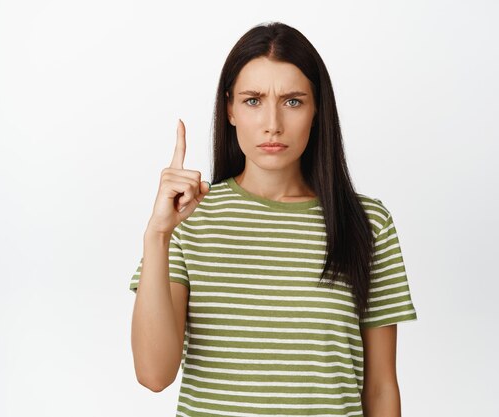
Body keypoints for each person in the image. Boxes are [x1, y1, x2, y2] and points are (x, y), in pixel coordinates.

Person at [129, 21, 417, 417]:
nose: (273, 123)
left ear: (317, 110)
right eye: (253, 100)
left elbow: (382, 388)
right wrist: (157, 235)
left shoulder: (367, 223)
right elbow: (153, 374)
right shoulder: (189, 220)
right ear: (229, 108)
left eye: (293, 101)